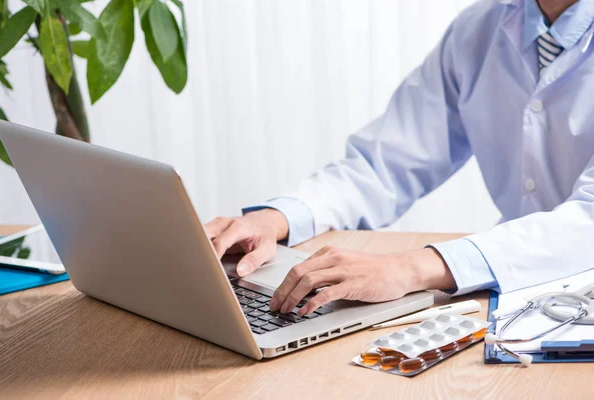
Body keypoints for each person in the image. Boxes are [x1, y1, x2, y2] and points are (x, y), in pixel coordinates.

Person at [205, 0, 594, 317]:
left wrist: (412, 267)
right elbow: (385, 163)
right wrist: (277, 219)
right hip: (511, 294)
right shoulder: (480, 29)